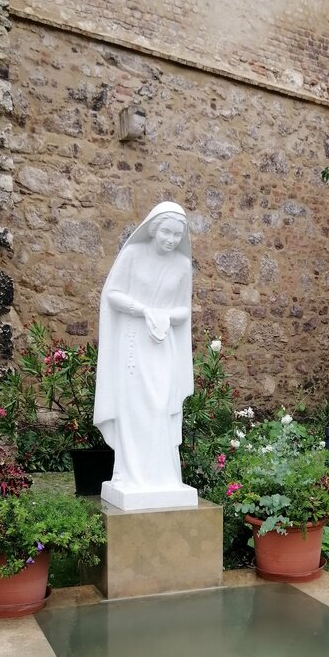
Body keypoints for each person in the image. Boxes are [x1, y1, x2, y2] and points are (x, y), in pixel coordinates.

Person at [93, 201, 198, 509]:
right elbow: (112, 294)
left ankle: (163, 476)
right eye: (166, 232)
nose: (170, 239)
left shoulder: (181, 265)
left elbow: (184, 310)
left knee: (159, 405)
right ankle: (129, 473)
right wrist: (144, 311)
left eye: (177, 235)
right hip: (132, 341)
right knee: (134, 405)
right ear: (153, 229)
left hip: (162, 343)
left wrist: (163, 317)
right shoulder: (132, 255)